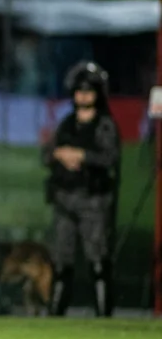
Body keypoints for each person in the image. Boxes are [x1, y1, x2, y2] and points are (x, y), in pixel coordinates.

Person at [42, 61, 120, 317]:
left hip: (93, 199)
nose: (83, 96)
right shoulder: (66, 124)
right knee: (62, 260)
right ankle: (56, 312)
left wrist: (83, 155)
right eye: (79, 91)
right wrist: (60, 154)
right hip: (64, 197)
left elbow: (110, 157)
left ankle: (103, 313)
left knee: (97, 258)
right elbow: (46, 154)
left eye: (88, 91)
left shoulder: (104, 125)